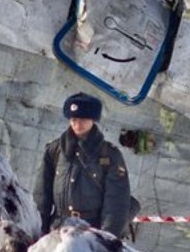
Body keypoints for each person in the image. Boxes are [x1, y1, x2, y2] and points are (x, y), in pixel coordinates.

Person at [34, 92, 133, 237]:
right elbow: (42, 193)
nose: (77, 124)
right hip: (57, 230)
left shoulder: (110, 154)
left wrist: (107, 237)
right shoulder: (55, 150)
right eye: (73, 119)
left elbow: (116, 201)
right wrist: (39, 229)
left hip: (91, 232)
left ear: (93, 120)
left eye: (83, 119)